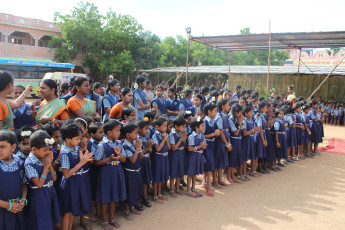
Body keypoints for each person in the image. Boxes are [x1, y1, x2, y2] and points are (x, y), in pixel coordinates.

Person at [58, 121, 93, 230]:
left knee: (71, 211)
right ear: (68, 139)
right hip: (69, 184)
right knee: (68, 212)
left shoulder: (73, 149)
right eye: (77, 139)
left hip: (76, 182)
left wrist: (83, 150)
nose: (79, 141)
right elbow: (66, 174)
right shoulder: (64, 153)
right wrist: (82, 163)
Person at [24, 130, 60, 230]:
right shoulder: (29, 163)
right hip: (39, 196)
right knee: (41, 220)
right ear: (34, 149)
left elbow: (54, 178)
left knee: (49, 218)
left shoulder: (43, 158)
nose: (48, 152)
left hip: (50, 192)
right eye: (45, 150)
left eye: (49, 149)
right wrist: (46, 167)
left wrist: (50, 165)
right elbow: (39, 184)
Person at [94, 120, 126, 228]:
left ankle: (112, 219)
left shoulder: (119, 143)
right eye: (117, 131)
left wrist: (119, 154)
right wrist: (108, 159)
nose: (119, 133)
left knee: (113, 196)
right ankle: (104, 221)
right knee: (105, 198)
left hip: (117, 171)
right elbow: (96, 162)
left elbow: (123, 160)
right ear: (109, 132)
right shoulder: (102, 145)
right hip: (107, 172)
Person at [0, 130, 27, 230]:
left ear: (13, 147)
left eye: (2, 147)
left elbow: (24, 183)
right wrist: (8, 205)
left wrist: (23, 200)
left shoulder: (20, 163)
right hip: (2, 209)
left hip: (17, 209)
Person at [122, 122, 144, 217]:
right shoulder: (125, 146)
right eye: (135, 133)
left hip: (137, 171)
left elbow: (141, 156)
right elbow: (132, 160)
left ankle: (133, 207)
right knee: (129, 191)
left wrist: (139, 148)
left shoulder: (134, 143)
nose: (137, 135)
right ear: (128, 135)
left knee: (135, 190)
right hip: (129, 173)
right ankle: (127, 211)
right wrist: (137, 148)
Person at [152, 116, 171, 203]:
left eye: (166, 126)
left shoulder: (165, 134)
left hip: (165, 157)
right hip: (158, 157)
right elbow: (158, 149)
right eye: (164, 126)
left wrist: (166, 139)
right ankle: (155, 196)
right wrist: (164, 139)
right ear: (157, 127)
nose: (165, 128)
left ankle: (159, 194)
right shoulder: (155, 135)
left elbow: (169, 147)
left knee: (162, 176)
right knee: (157, 178)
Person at [203, 103, 220, 196]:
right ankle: (208, 183)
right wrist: (213, 134)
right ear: (209, 112)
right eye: (215, 111)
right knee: (209, 163)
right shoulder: (204, 122)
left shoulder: (213, 121)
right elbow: (202, 135)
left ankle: (205, 182)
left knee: (210, 162)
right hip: (207, 144)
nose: (216, 113)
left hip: (212, 143)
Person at [186, 117, 206, 198]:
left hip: (199, 156)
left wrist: (204, 146)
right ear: (196, 128)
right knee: (190, 173)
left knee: (195, 173)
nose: (203, 127)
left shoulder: (201, 135)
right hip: (193, 156)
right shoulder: (192, 136)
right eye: (202, 126)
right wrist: (200, 146)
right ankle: (188, 190)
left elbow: (203, 144)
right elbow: (190, 148)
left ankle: (193, 188)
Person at [214, 99, 232, 185]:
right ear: (222, 107)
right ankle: (218, 179)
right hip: (220, 141)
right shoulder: (219, 117)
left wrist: (228, 142)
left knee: (222, 160)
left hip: (224, 140)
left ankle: (220, 178)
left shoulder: (225, 116)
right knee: (219, 160)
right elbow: (221, 132)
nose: (229, 106)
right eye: (228, 105)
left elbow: (226, 131)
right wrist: (226, 143)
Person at [168, 117, 187, 196]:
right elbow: (173, 148)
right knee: (173, 171)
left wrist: (184, 139)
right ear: (176, 127)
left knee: (179, 170)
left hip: (181, 153)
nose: (184, 128)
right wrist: (181, 139)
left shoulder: (181, 133)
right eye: (182, 126)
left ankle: (177, 188)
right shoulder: (172, 134)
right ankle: (172, 189)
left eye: (185, 126)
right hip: (175, 154)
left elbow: (185, 145)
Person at [137, 118, 153, 207]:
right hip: (140, 162)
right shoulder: (137, 139)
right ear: (139, 129)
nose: (147, 131)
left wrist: (150, 146)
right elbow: (140, 155)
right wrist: (146, 147)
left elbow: (149, 151)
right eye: (146, 129)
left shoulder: (146, 137)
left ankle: (145, 198)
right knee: (141, 181)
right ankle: (139, 199)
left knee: (146, 180)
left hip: (146, 160)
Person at [242, 106, 260, 177]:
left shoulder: (252, 119)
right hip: (246, 140)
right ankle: (243, 173)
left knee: (253, 155)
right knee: (245, 157)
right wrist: (253, 130)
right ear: (246, 113)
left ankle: (253, 171)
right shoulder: (244, 121)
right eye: (250, 112)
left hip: (251, 139)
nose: (252, 114)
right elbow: (245, 133)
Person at [228, 104, 244, 183]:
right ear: (235, 112)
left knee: (236, 158)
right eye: (239, 112)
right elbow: (235, 133)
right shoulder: (231, 120)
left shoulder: (236, 119)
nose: (240, 114)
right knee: (232, 159)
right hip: (233, 140)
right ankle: (230, 177)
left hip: (238, 140)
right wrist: (240, 124)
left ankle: (233, 176)